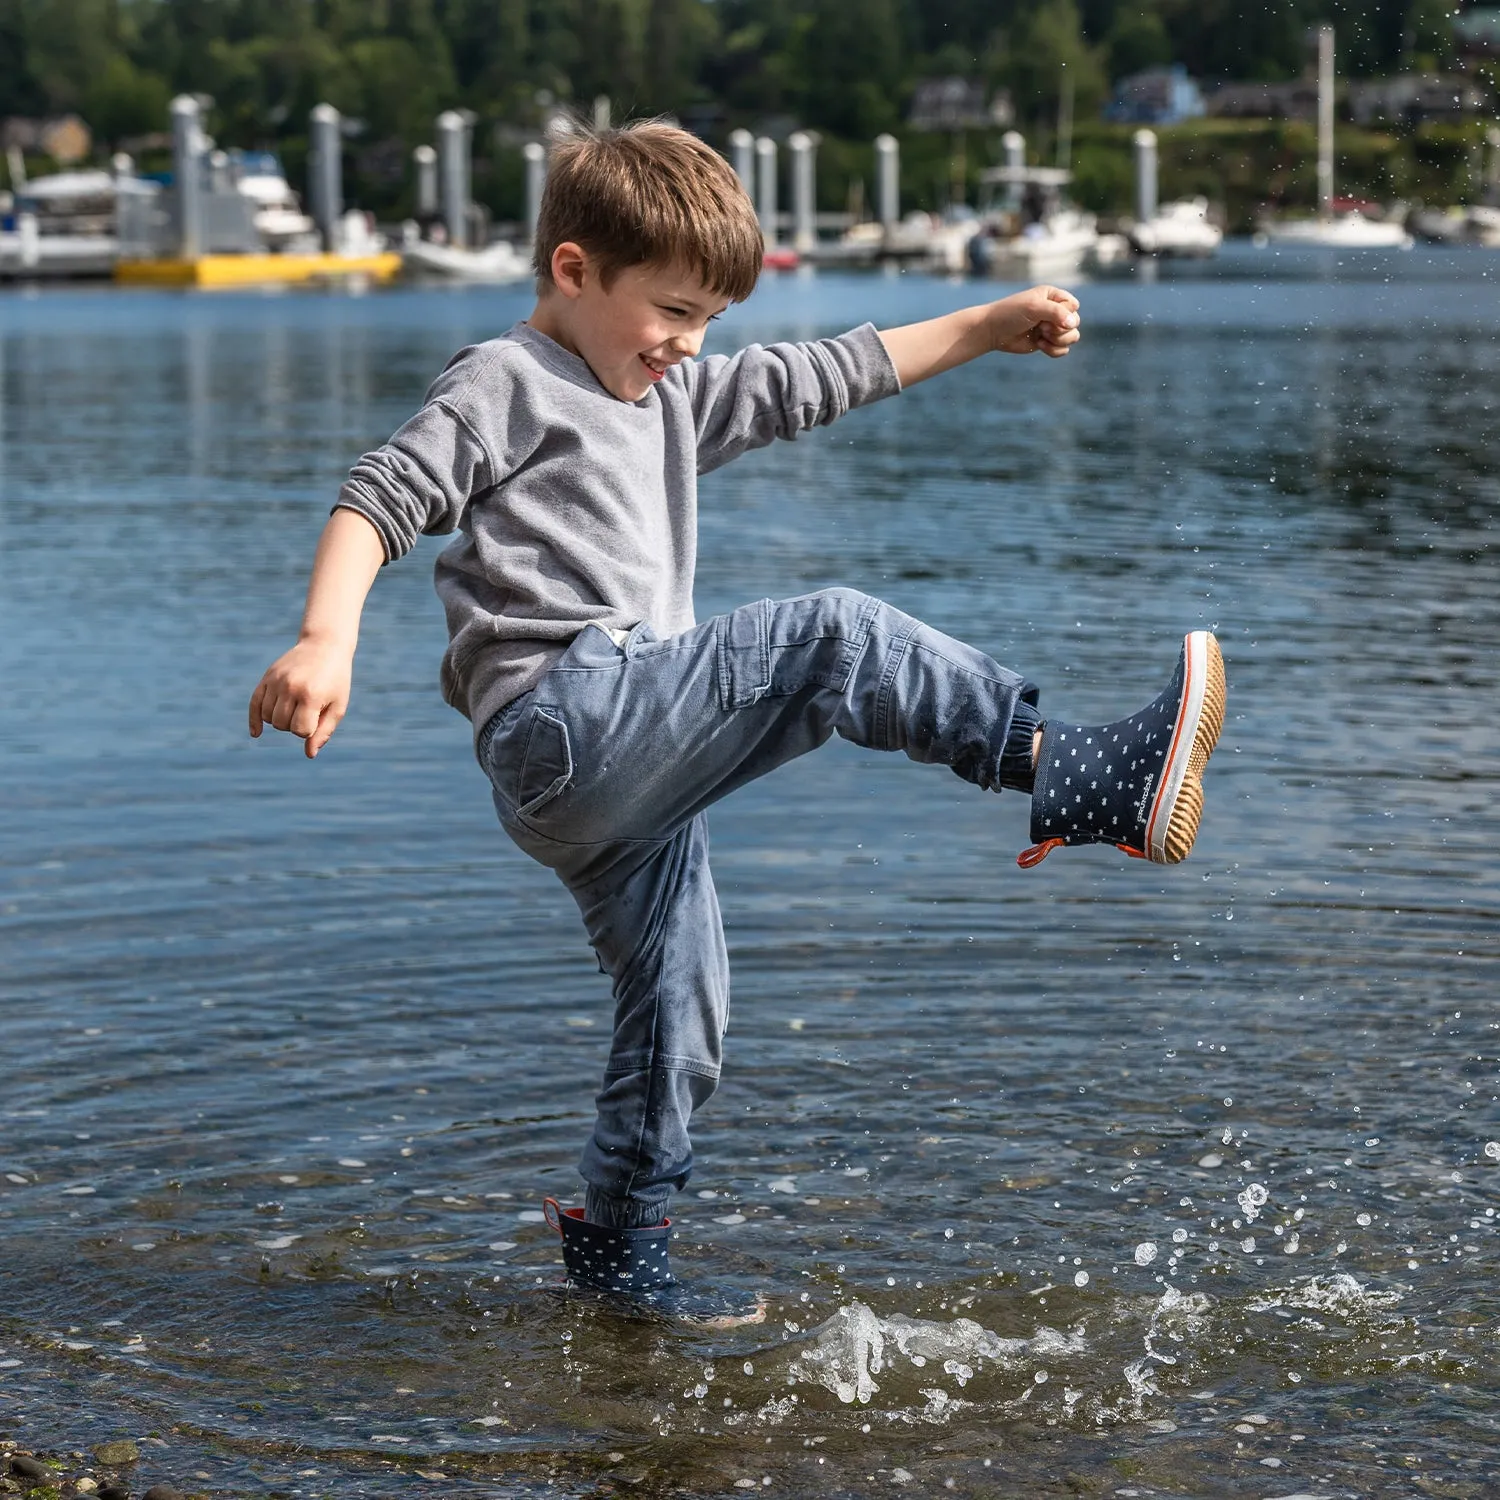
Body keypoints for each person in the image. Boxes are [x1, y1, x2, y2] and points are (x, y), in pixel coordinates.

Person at [248, 121, 1225, 1325]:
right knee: (835, 639)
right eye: (671, 311)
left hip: (622, 768)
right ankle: (1068, 773)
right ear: (572, 271)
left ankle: (622, 1256)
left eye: (709, 319)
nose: (686, 346)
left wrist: (980, 328)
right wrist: (326, 637)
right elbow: (380, 496)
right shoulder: (507, 381)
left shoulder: (661, 392)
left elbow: (820, 375)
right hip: (571, 717)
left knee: (681, 1009)